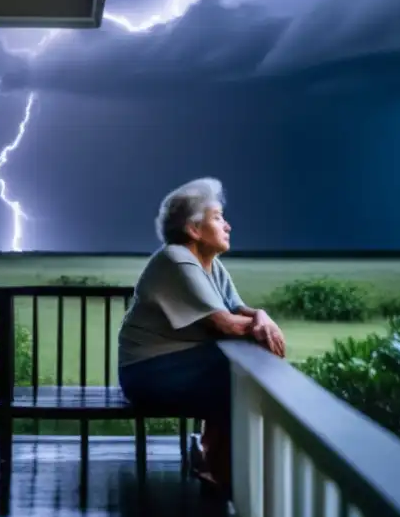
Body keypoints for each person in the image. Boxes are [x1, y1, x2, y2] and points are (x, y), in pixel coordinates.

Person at [117, 177, 286, 492]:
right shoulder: (177, 258)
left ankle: (216, 461)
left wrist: (262, 317)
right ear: (193, 229)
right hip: (147, 372)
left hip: (178, 365)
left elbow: (241, 310)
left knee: (236, 371)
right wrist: (261, 329)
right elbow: (226, 324)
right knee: (234, 370)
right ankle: (222, 469)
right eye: (218, 217)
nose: (228, 226)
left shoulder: (212, 265)